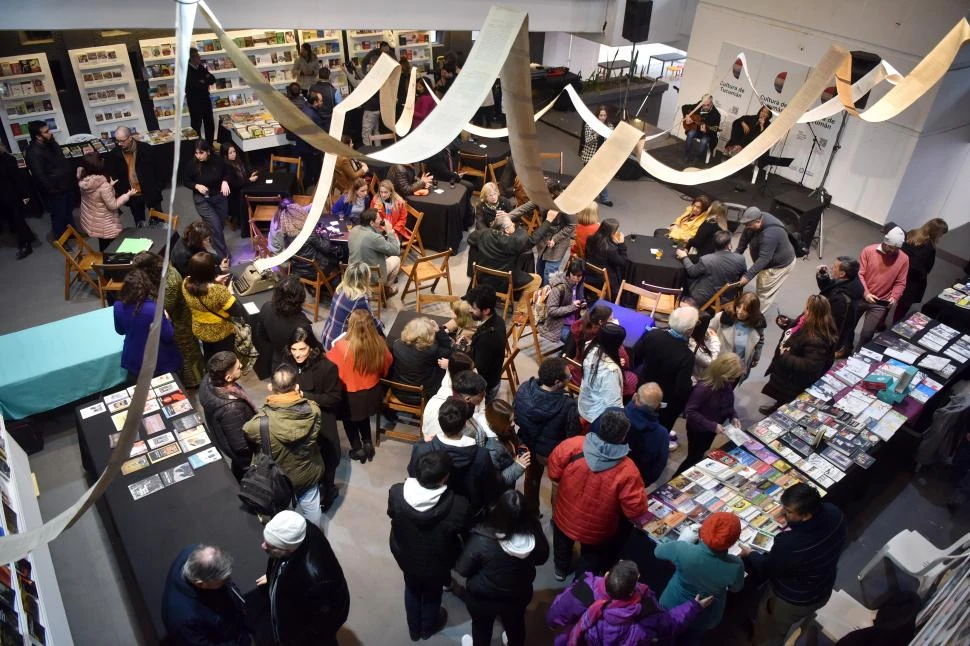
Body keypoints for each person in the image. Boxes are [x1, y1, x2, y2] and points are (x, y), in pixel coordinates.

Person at [548, 409, 651, 580]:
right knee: (590, 558)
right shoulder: (628, 469)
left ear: (600, 427)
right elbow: (635, 510)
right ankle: (580, 586)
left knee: (562, 545)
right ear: (623, 436)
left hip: (565, 514)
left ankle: (560, 570)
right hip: (597, 528)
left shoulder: (572, 445)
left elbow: (553, 472)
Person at [742, 483, 848, 646]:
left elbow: (766, 569)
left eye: (789, 512)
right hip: (823, 586)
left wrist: (750, 553)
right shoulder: (834, 512)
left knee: (770, 632)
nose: (783, 513)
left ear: (806, 516)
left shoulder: (790, 544)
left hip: (792, 600)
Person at [388, 451, 469, 641]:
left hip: (406, 555)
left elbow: (392, 514)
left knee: (412, 588)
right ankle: (427, 628)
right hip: (438, 561)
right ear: (445, 478)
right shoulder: (458, 504)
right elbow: (461, 528)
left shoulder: (396, 492)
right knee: (433, 594)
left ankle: (414, 630)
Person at [456, 490, 549, 646]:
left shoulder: (482, 540)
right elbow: (542, 558)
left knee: (481, 629)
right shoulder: (535, 535)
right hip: (518, 595)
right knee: (516, 625)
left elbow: (463, 569)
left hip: (483, 598)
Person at [548, 559, 708, 646]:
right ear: (633, 589)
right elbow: (669, 624)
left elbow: (560, 608)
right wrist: (694, 606)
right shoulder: (646, 610)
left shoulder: (584, 590)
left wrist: (551, 623)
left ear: (607, 575)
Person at [243, 365, 325, 527]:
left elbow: (247, 433)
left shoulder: (258, 424)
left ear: (269, 387)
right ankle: (314, 535)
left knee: (283, 515)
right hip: (307, 472)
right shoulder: (314, 409)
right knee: (312, 507)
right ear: (296, 387)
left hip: (278, 479)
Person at [255, 510, 350, 646]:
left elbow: (328, 623)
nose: (263, 546)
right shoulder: (297, 529)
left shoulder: (320, 580)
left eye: (271, 546)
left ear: (289, 549)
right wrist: (273, 575)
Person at [655, 512, 745, 646]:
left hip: (671, 605)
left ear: (704, 530)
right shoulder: (736, 565)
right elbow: (736, 588)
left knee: (662, 635)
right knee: (692, 639)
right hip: (705, 616)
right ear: (733, 541)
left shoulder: (682, 549)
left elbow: (658, 552)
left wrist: (684, 541)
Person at [409, 397, 502, 515]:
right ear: (464, 424)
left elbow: (413, 475)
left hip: (429, 506)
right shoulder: (481, 455)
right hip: (465, 512)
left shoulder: (422, 448)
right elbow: (488, 490)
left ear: (440, 421)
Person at [283, 327, 343, 511]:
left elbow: (334, 398)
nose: (297, 354)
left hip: (322, 419)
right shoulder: (286, 363)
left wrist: (305, 395)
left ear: (311, 348)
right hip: (296, 419)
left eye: (302, 349)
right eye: (294, 349)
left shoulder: (327, 368)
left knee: (328, 457)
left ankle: (329, 490)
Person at [514, 357, 580, 515]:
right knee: (558, 483)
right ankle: (557, 516)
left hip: (527, 444)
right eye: (569, 377)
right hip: (551, 452)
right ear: (557, 382)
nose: (570, 379)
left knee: (531, 479)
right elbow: (572, 435)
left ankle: (531, 512)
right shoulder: (567, 405)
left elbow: (516, 416)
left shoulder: (524, 388)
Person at [326, 309, 392, 463]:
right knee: (363, 418)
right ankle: (368, 443)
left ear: (352, 325)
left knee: (350, 422)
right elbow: (387, 363)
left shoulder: (342, 347)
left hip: (350, 395)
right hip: (372, 393)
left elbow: (330, 369)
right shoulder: (379, 344)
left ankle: (358, 449)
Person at [467, 211, 557, 323]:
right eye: (511, 224)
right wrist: (548, 221)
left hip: (483, 278)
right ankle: (520, 313)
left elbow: (470, 239)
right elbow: (532, 239)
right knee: (537, 279)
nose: (514, 225)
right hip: (503, 283)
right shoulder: (513, 242)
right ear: (507, 230)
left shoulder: (483, 234)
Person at [761, 294, 838, 415]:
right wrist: (788, 323)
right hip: (788, 375)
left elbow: (810, 365)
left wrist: (785, 356)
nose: (804, 309)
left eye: (807, 308)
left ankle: (778, 412)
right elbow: (799, 329)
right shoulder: (810, 320)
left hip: (794, 378)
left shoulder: (817, 339)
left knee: (787, 402)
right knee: (782, 397)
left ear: (812, 312)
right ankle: (777, 406)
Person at [161, 544, 249, 646]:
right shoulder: (181, 619)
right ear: (201, 584)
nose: (228, 582)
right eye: (223, 581)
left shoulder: (194, 553)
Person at [633, 306, 700, 431]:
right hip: (665, 402)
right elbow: (682, 389)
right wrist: (693, 382)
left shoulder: (653, 334)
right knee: (660, 429)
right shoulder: (687, 356)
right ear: (689, 330)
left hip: (644, 387)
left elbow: (636, 355)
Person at [678, 353, 744, 475]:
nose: (733, 381)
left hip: (712, 429)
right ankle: (677, 477)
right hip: (698, 430)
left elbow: (728, 404)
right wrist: (712, 425)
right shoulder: (703, 389)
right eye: (731, 378)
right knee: (694, 457)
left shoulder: (726, 385)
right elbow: (690, 411)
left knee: (700, 453)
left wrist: (733, 416)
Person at [113, 265, 182, 379]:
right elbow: (168, 335)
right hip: (159, 359)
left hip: (134, 359)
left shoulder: (118, 306)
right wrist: (168, 318)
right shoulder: (154, 309)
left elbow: (120, 330)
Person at [198, 352, 256, 481]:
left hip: (225, 441)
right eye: (238, 367)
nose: (241, 364)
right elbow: (241, 446)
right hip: (246, 460)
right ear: (228, 378)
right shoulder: (232, 409)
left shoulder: (208, 379)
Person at [182, 252, 245, 362]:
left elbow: (201, 289)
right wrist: (230, 292)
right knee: (225, 361)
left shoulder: (185, 283)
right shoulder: (218, 291)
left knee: (210, 357)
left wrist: (215, 282)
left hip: (201, 331)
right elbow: (236, 311)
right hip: (221, 333)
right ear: (210, 271)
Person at [856, 226, 910, 348]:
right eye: (891, 247)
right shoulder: (869, 251)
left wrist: (894, 297)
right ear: (885, 242)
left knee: (867, 333)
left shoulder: (904, 259)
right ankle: (845, 348)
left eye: (897, 249)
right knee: (848, 326)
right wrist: (866, 293)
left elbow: (900, 282)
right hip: (861, 296)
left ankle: (857, 354)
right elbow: (860, 274)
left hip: (880, 302)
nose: (893, 251)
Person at [253, 276, 316, 379]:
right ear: (300, 298)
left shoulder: (266, 307)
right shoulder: (303, 325)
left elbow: (262, 336)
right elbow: (311, 350)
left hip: (277, 361)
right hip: (296, 367)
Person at [735, 206, 797, 311]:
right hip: (769, 259)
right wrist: (736, 255)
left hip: (777, 267)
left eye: (748, 225)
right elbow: (745, 238)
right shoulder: (754, 219)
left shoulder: (770, 234)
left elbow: (764, 259)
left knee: (764, 294)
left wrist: (747, 276)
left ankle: (756, 319)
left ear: (758, 221)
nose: (746, 228)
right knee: (761, 286)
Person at [25, 120, 76, 240]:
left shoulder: (52, 144)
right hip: (55, 190)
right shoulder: (33, 152)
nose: (50, 133)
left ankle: (73, 234)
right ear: (38, 136)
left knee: (68, 212)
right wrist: (53, 190)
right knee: (59, 216)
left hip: (65, 185)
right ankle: (61, 239)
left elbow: (62, 162)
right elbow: (39, 175)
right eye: (46, 132)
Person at [182, 141, 231, 261]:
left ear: (208, 152)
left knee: (220, 224)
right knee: (216, 227)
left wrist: (225, 181)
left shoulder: (218, 161)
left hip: (219, 197)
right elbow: (186, 181)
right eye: (196, 153)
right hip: (202, 200)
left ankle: (212, 241)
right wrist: (196, 186)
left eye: (201, 153)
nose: (198, 156)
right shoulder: (191, 165)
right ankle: (224, 258)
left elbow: (228, 172)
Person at [319, 262, 383, 351]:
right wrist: (382, 331)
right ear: (364, 279)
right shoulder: (359, 299)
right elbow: (372, 321)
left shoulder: (340, 288)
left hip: (327, 335)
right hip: (339, 343)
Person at [388, 316, 451, 407]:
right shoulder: (432, 351)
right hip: (421, 395)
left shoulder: (396, 345)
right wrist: (439, 331)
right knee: (443, 369)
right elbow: (447, 350)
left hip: (398, 390)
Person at [77, 153, 135, 251]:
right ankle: (108, 263)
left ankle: (105, 259)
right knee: (110, 246)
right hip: (105, 222)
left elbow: (96, 196)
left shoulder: (83, 181)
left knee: (103, 242)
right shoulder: (103, 186)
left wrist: (110, 186)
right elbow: (112, 206)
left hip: (93, 220)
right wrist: (126, 195)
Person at [421, 360, 490, 442]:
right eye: (481, 394)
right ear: (467, 399)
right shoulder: (472, 429)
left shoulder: (434, 399)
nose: (485, 395)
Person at [895, 218, 949, 322]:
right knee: (903, 306)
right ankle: (895, 325)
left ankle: (880, 323)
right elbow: (919, 265)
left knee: (891, 300)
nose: (941, 236)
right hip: (913, 280)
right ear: (935, 232)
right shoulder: (928, 246)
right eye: (941, 233)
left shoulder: (911, 233)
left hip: (899, 273)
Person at [274, 198, 342, 279]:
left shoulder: (285, 234)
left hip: (297, 270)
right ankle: (336, 281)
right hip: (316, 271)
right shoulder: (307, 233)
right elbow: (326, 248)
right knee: (338, 253)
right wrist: (324, 233)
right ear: (300, 215)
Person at [677, 229, 746, 309]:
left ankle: (684, 302)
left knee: (684, 277)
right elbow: (742, 277)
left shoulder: (706, 259)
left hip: (706, 298)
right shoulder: (741, 259)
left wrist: (684, 257)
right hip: (728, 296)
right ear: (729, 245)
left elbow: (692, 272)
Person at [109, 126, 163, 228]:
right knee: (139, 223)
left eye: (122, 141)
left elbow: (159, 169)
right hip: (132, 194)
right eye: (117, 141)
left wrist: (158, 188)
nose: (119, 144)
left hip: (150, 191)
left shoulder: (146, 149)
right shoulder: (114, 154)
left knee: (159, 221)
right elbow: (113, 173)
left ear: (130, 138)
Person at [473, 400, 529, 489]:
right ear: (499, 423)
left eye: (513, 419)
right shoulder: (491, 450)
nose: (513, 423)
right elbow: (496, 481)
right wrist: (518, 466)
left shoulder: (504, 427)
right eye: (510, 421)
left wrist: (519, 444)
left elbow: (511, 437)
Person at [709, 292, 766, 380]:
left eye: (745, 310)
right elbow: (709, 331)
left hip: (738, 369)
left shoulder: (758, 325)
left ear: (752, 312)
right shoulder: (723, 317)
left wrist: (756, 357)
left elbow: (760, 341)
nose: (739, 312)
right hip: (718, 365)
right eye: (738, 307)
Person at [464, 285, 506, 401]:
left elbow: (478, 372)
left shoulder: (488, 339)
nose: (469, 310)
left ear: (486, 310)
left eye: (473, 307)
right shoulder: (498, 320)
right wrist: (472, 343)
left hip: (485, 389)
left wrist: (452, 365)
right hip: (491, 374)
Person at [578, 323, 626, 426]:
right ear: (615, 344)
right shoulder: (610, 371)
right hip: (598, 415)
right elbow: (614, 405)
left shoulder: (589, 347)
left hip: (585, 401)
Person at [348, 208, 402, 298]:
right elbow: (396, 251)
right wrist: (390, 232)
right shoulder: (375, 238)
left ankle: (382, 290)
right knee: (396, 260)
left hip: (354, 273)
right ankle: (384, 291)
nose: (381, 220)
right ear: (371, 223)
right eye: (379, 219)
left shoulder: (354, 229)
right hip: (370, 277)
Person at [815, 256, 863, 356]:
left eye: (835, 267)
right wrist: (823, 276)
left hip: (826, 338)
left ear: (842, 273)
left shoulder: (841, 298)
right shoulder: (850, 280)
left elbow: (830, 323)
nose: (831, 268)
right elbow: (829, 287)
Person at [624, 382, 670, 487]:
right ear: (658, 406)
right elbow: (658, 467)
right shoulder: (661, 435)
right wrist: (641, 483)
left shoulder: (612, 415)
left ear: (635, 396)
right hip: (634, 483)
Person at [538, 258, 587, 343]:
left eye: (579, 276)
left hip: (576, 319)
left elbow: (580, 298)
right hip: (558, 323)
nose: (576, 278)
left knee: (592, 336)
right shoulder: (559, 287)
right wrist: (572, 307)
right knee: (576, 342)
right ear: (569, 272)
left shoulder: (579, 283)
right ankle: (567, 354)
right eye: (573, 275)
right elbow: (551, 311)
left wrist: (583, 304)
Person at [0, 142, 34, 259]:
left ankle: (26, 244)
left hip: (12, 196)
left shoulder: (7, 159)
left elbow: (18, 179)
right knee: (13, 221)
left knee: (18, 220)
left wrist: (24, 195)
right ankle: (27, 238)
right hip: (4, 197)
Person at [584, 218, 628, 300]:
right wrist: (622, 245)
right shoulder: (610, 249)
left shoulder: (590, 238)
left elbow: (586, 253)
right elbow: (623, 262)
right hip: (603, 277)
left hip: (589, 271)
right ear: (612, 232)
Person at [579, 105, 614, 206]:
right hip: (590, 156)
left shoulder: (610, 126)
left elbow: (611, 142)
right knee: (589, 178)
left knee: (601, 178)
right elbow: (587, 142)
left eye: (604, 115)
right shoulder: (589, 125)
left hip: (602, 157)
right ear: (597, 115)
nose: (602, 117)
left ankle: (604, 199)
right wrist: (597, 133)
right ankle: (587, 197)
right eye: (600, 115)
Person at [221, 142, 257, 229]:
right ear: (225, 155)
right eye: (230, 153)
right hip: (235, 195)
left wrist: (251, 174)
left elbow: (244, 172)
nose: (233, 154)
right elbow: (235, 184)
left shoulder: (237, 161)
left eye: (234, 151)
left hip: (242, 187)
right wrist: (249, 180)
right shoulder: (226, 166)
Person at [186, 48, 216, 144]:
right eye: (197, 56)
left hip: (205, 100)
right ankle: (198, 147)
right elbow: (195, 85)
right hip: (194, 102)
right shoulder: (186, 70)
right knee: (196, 126)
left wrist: (203, 81)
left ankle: (209, 145)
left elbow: (212, 79)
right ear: (191, 58)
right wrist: (203, 80)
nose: (199, 57)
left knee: (210, 123)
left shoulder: (201, 67)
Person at [682, 94, 721, 163]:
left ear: (711, 103)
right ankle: (686, 155)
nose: (705, 107)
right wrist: (687, 116)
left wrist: (706, 130)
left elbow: (714, 130)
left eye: (708, 105)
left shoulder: (716, 115)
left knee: (703, 141)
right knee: (690, 134)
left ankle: (698, 156)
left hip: (708, 133)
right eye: (704, 105)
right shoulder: (699, 105)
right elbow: (684, 107)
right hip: (697, 129)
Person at [309, 67, 341, 131]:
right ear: (329, 77)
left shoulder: (312, 88)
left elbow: (309, 103)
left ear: (318, 76)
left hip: (315, 120)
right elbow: (340, 106)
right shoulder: (334, 91)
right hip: (330, 122)